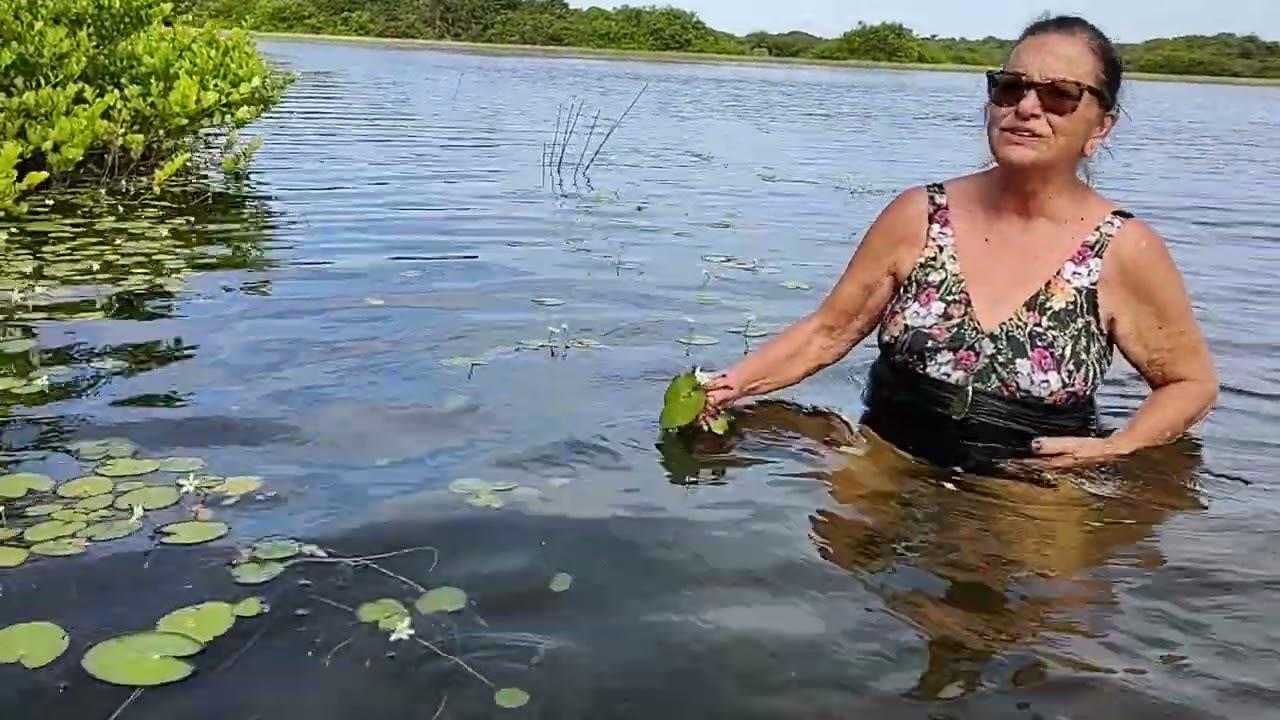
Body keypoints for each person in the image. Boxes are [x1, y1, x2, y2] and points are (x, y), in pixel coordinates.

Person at [699, 15, 1218, 474]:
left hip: (1032, 483)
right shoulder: (918, 215)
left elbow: (1189, 384)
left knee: (1050, 585)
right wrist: (729, 385)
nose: (1027, 107)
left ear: (1100, 125)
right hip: (887, 454)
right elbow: (828, 331)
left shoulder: (1124, 248)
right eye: (1009, 87)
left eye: (1060, 94)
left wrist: (1118, 447)